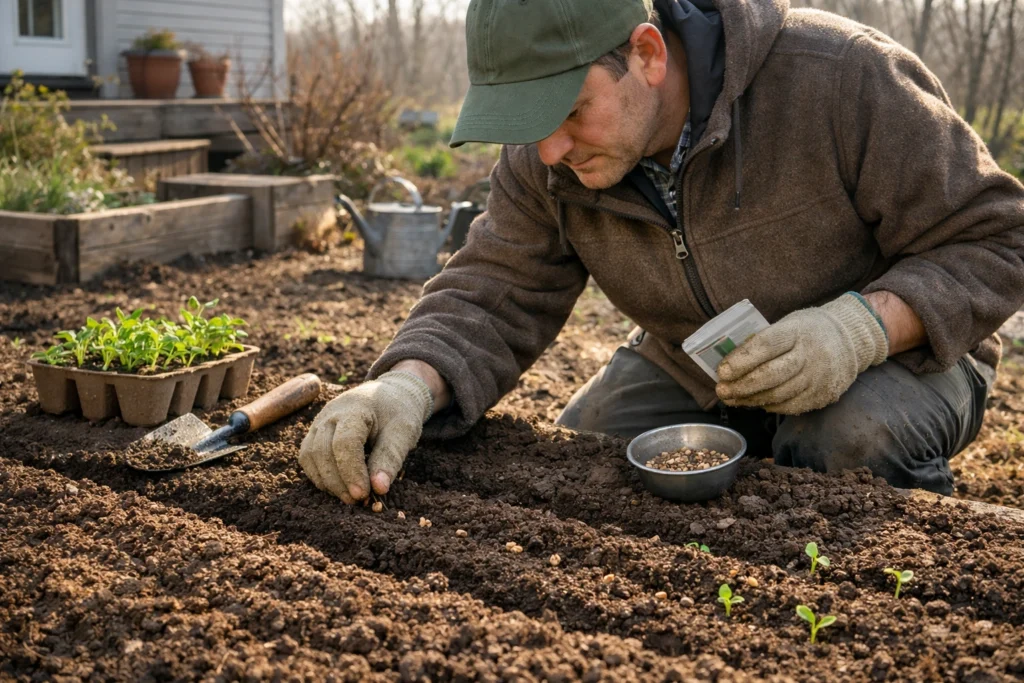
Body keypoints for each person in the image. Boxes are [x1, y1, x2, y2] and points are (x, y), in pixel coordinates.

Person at [299, 0, 1024, 502]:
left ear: (645, 55)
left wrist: (861, 327)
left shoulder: (842, 77)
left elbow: (998, 235)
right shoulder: (546, 157)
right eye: (528, 123)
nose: (549, 149)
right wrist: (405, 382)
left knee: (847, 437)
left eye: (569, 111)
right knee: (584, 461)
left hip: (905, 355)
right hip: (699, 362)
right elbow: (496, 285)